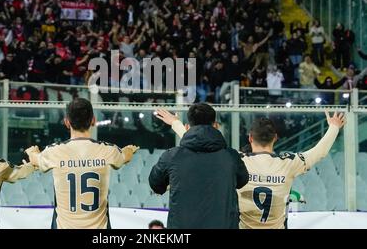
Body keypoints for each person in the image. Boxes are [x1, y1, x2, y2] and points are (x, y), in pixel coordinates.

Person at [158, 109, 346, 229]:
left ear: (249, 138)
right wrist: (334, 128)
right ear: (276, 138)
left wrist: (176, 123)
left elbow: (202, 146)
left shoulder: (236, 159)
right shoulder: (289, 163)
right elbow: (319, 152)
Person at [26, 98, 139, 229]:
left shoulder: (53, 151)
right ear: (93, 120)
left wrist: (32, 152)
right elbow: (126, 156)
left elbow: (35, 160)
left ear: (67, 122)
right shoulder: (108, 150)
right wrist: (129, 150)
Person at [150, 105, 249, 229]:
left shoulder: (171, 156)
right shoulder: (231, 157)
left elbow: (156, 185)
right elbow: (242, 181)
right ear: (216, 126)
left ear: (187, 127)